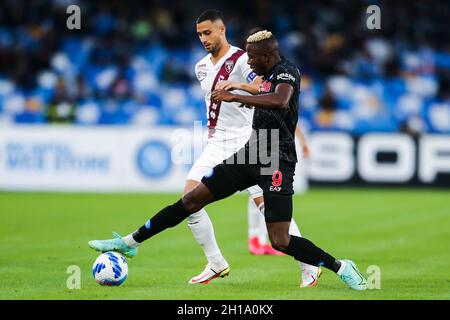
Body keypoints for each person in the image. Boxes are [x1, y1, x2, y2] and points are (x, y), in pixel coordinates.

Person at [89, 29, 368, 291]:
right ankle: (129, 242)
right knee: (190, 201)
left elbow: (281, 100)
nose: (248, 60)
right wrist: (243, 88)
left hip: (276, 160)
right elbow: (262, 90)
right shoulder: (267, 74)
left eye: (252, 56)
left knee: (280, 240)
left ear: (267, 57)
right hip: (250, 153)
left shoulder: (287, 72)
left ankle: (341, 267)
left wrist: (234, 95)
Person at [187, 10, 319, 286]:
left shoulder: (241, 59)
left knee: (269, 209)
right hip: (217, 141)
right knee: (189, 199)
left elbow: (264, 86)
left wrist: (238, 89)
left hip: (249, 141)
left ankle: (308, 264)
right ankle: (215, 262)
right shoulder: (200, 66)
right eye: (199, 34)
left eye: (208, 32)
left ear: (222, 30)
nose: (203, 38)